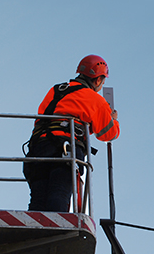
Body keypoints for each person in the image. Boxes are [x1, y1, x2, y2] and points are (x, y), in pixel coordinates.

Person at [23, 54, 120, 212]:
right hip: (65, 149)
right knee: (59, 193)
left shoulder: (56, 90)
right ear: (97, 80)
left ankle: (36, 228)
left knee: (38, 199)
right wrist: (113, 120)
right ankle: (55, 228)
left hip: (37, 147)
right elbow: (108, 133)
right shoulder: (95, 100)